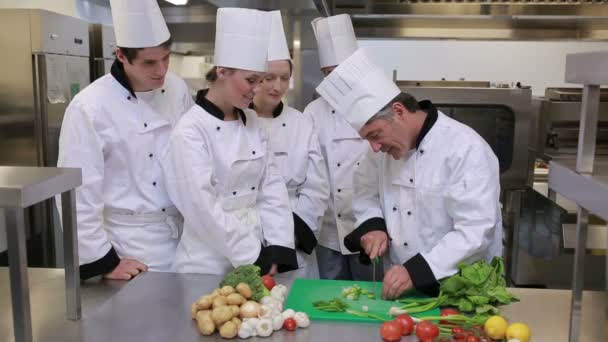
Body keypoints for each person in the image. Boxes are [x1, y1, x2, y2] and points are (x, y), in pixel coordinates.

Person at [316, 48, 503, 298]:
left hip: (460, 288)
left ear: (399, 111)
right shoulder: (379, 152)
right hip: (401, 289)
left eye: (375, 135)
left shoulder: (464, 148)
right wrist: (373, 227)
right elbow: (365, 194)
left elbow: (475, 230)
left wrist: (416, 270)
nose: (374, 147)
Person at [57, 0, 194, 280]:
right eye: (149, 62)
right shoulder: (90, 106)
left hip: (185, 238)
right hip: (129, 245)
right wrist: (104, 262)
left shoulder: (177, 88)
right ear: (121, 55)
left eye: (166, 58)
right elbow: (76, 192)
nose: (161, 71)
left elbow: (193, 155)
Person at [160, 8, 297, 276]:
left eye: (260, 80)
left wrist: (279, 245)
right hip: (205, 264)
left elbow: (271, 186)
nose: (257, 89)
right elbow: (202, 207)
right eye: (250, 80)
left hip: (257, 252)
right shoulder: (190, 131)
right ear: (222, 71)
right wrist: (253, 254)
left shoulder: (252, 121)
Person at [249, 11, 329, 279]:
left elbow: (317, 187)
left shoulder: (301, 123)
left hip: (295, 238)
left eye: (284, 78)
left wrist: (289, 234)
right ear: (254, 77)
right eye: (269, 78)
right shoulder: (235, 122)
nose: (277, 86)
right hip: (248, 239)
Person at [303, 14, 381, 281]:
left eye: (340, 72)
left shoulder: (377, 104)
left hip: (370, 227)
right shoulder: (313, 112)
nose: (333, 80)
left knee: (368, 297)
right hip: (328, 229)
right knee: (329, 298)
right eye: (327, 74)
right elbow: (310, 168)